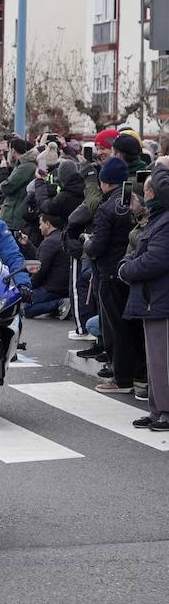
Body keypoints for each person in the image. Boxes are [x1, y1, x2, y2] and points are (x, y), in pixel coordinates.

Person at [122, 166, 169, 429]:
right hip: (153, 299)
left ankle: (166, 412)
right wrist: (127, 263)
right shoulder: (157, 219)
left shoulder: (166, 220)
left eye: (148, 189)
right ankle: (157, 410)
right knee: (155, 360)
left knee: (163, 359)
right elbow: (140, 251)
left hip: (160, 299)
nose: (144, 194)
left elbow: (155, 260)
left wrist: (126, 270)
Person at [86, 159, 137, 395]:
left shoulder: (107, 209)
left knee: (115, 327)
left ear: (104, 183)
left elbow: (98, 246)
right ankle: (138, 375)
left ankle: (121, 378)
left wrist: (87, 244)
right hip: (131, 272)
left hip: (110, 273)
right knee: (132, 326)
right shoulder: (134, 203)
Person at [25, 213, 70, 319]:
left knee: (23, 307)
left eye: (41, 224)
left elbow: (40, 269)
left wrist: (29, 286)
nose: (39, 227)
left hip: (51, 288)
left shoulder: (49, 242)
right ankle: (60, 305)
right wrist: (27, 244)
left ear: (48, 224)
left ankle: (59, 304)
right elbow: (41, 258)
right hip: (64, 287)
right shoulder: (62, 238)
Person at [0, 139, 37, 233]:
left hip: (15, 215)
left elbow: (7, 186)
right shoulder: (25, 165)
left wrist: (3, 174)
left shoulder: (25, 167)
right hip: (19, 213)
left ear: (13, 150)